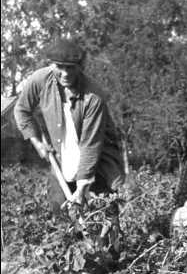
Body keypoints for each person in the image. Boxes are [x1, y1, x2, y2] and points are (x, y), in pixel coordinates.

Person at [14, 38, 125, 212]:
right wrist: (38, 144)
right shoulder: (40, 80)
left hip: (96, 162)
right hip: (62, 157)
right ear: (51, 65)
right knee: (60, 211)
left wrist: (81, 189)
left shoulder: (93, 97)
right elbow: (22, 110)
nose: (65, 73)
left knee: (102, 213)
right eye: (60, 67)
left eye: (70, 67)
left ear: (80, 67)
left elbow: (91, 145)